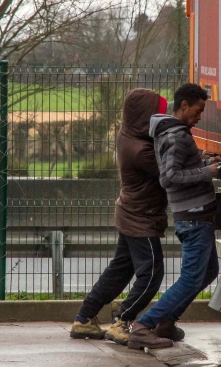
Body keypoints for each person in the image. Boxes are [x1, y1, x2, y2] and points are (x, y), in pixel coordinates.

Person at [70, 88, 172, 349]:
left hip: (130, 212)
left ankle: (85, 317)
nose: (163, 117)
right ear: (144, 116)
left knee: (119, 270)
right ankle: (122, 321)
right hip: (141, 219)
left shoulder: (129, 135)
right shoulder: (141, 150)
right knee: (151, 274)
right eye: (158, 113)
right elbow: (170, 174)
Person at [127, 83, 221, 350]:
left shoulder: (174, 132)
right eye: (198, 110)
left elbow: (182, 167)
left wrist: (205, 163)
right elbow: (169, 177)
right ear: (184, 106)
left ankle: (167, 320)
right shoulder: (176, 135)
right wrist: (209, 172)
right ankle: (144, 325)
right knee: (191, 278)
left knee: (210, 270)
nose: (200, 116)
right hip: (193, 216)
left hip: (195, 215)